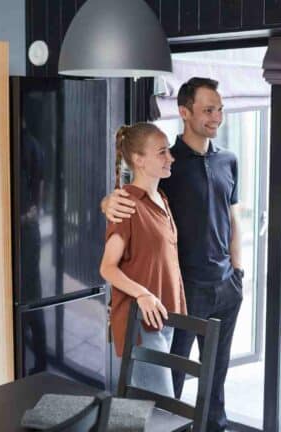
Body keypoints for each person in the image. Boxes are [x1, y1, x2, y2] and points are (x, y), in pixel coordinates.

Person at [101, 77, 243, 431]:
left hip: (223, 287)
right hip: (181, 293)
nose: (217, 117)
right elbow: (130, 194)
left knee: (215, 377)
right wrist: (107, 202)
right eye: (208, 109)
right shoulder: (169, 164)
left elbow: (232, 216)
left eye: (220, 109)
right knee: (169, 388)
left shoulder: (228, 160)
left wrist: (238, 270)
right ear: (184, 112)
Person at [99, 122, 187, 397]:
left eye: (168, 151)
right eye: (161, 152)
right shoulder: (126, 204)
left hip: (163, 316)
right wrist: (143, 295)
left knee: (145, 407)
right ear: (138, 160)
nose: (170, 158)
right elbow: (107, 268)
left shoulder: (160, 198)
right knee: (161, 405)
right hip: (141, 320)